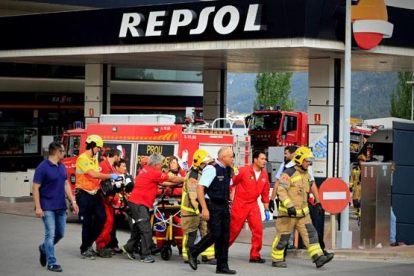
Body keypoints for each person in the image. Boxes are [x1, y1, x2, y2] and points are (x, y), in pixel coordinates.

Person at [271, 147, 333, 268]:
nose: (309, 163)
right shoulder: (287, 173)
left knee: (311, 234)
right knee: (283, 237)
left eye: (310, 161)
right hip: (288, 214)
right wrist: (289, 206)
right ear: (299, 160)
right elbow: (281, 191)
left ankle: (318, 257)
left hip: (303, 215)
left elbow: (312, 186)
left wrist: (318, 202)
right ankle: (276, 259)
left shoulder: (307, 175)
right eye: (307, 160)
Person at [122, 153, 184, 263]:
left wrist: (169, 184)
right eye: (161, 164)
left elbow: (162, 181)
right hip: (139, 203)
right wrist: (186, 179)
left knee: (138, 227)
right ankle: (145, 255)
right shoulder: (153, 172)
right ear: (156, 164)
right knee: (146, 229)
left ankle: (128, 247)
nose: (162, 166)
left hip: (138, 202)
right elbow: (172, 178)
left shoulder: (147, 169)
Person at [187, 147, 236, 275]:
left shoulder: (228, 170)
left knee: (224, 237)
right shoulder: (212, 168)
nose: (233, 159)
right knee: (215, 234)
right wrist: (204, 208)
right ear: (223, 157)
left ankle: (222, 266)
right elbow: (200, 188)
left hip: (224, 205)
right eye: (231, 156)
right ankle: (194, 251)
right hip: (212, 205)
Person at [33, 142, 79, 272]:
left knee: (60, 234)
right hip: (46, 206)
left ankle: (43, 248)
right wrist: (38, 207)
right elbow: (35, 188)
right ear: (57, 152)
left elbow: (66, 184)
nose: (65, 153)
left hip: (60, 206)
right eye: (63, 151)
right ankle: (52, 263)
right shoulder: (42, 168)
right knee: (50, 234)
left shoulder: (62, 166)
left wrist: (73, 201)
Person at [75, 135, 120, 260]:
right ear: (92, 145)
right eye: (98, 148)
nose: (99, 150)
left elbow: (97, 176)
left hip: (95, 193)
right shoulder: (82, 158)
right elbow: (93, 174)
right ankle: (85, 248)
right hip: (84, 194)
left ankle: (88, 244)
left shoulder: (94, 159)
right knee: (87, 223)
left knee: (102, 218)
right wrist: (110, 176)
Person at [229, 150, 270, 263]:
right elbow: (231, 183)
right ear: (255, 159)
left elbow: (265, 193)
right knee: (233, 230)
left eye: (265, 159)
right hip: (240, 204)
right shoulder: (243, 171)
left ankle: (255, 255)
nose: (264, 161)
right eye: (262, 159)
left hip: (253, 204)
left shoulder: (264, 175)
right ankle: (220, 251)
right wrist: (229, 198)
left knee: (258, 230)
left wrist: (266, 209)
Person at [181, 149, 216, 265]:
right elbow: (193, 196)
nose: (207, 165)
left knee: (206, 232)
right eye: (204, 163)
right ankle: (188, 255)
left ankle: (208, 255)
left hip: (201, 209)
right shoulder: (193, 176)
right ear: (198, 163)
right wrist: (201, 209)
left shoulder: (203, 173)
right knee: (191, 233)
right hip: (191, 211)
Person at [95, 149, 121, 258]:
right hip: (103, 198)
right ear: (116, 156)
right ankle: (100, 245)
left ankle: (104, 245)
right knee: (107, 222)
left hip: (109, 199)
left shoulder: (111, 167)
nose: (119, 159)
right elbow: (99, 180)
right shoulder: (103, 165)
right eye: (119, 156)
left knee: (109, 223)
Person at [269, 146, 298, 213]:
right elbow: (277, 183)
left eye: (286, 153)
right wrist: (272, 200)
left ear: (293, 154)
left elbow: (311, 183)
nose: (285, 155)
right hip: (285, 201)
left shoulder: (304, 166)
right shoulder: (284, 165)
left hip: (297, 202)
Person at [350, 154, 366, 219]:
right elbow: (352, 178)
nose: (361, 162)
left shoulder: (366, 169)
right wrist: (351, 186)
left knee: (362, 200)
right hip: (356, 186)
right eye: (360, 160)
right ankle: (357, 211)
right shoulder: (355, 169)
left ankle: (361, 212)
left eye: (363, 161)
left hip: (364, 186)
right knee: (355, 200)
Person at [389, 161, 399, 246]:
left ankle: (392, 239)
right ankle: (392, 239)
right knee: (393, 218)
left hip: (387, 203)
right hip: (383, 203)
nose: (392, 172)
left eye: (393, 171)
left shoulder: (390, 178)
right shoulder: (384, 176)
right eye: (391, 170)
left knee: (392, 218)